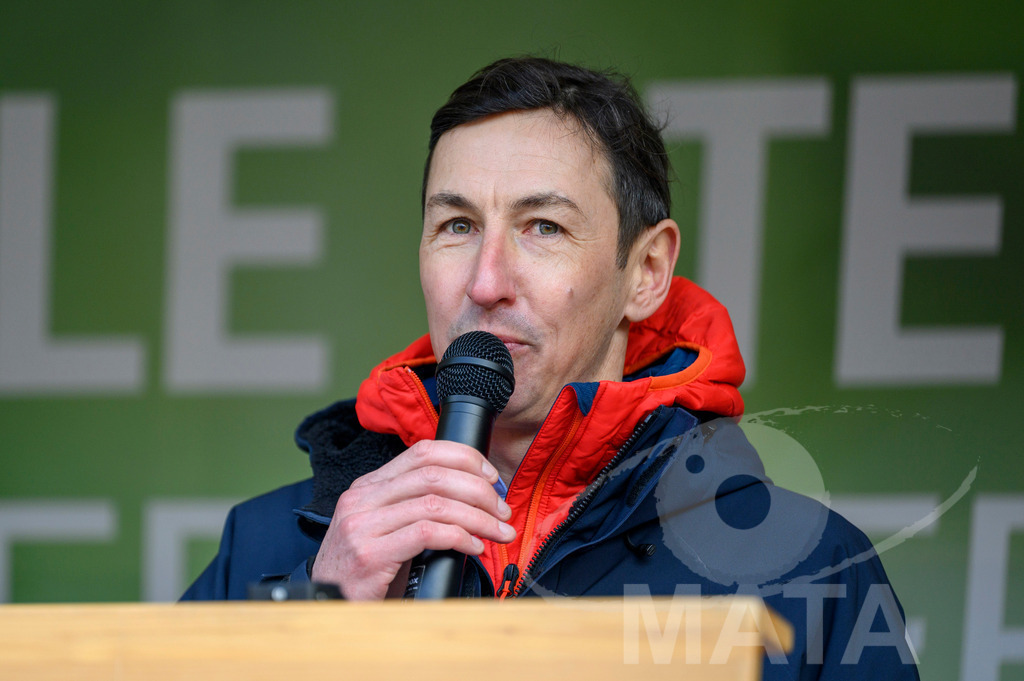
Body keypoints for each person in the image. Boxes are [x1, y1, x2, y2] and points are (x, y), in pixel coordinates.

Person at [183, 57, 919, 679]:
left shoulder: (811, 571)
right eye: (457, 226)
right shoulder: (272, 545)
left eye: (543, 227)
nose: (486, 279)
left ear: (648, 270)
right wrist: (316, 629)